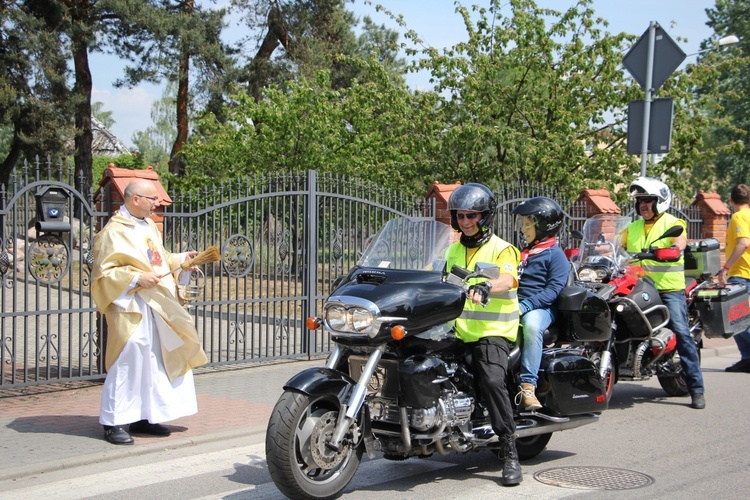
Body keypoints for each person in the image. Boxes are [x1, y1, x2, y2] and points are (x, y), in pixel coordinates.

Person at [91, 179, 208, 445]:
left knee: (155, 359)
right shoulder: (113, 232)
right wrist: (135, 279)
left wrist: (181, 261)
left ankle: (144, 416)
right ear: (134, 199)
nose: (157, 203)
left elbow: (160, 258)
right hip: (132, 306)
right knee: (129, 358)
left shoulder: (147, 226)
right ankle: (114, 422)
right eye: (152, 199)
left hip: (157, 304)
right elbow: (102, 274)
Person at [444, 183, 523, 486]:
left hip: (493, 331)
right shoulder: (452, 250)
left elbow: (508, 279)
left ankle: (509, 449)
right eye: (461, 215)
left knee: (491, 380)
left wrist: (487, 285)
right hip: (458, 330)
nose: (465, 221)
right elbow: (436, 277)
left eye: (472, 215)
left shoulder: (502, 248)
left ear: (485, 216)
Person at [623, 176, 705, 409]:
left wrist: (673, 249)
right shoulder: (632, 227)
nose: (643, 205)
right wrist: (592, 249)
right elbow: (612, 244)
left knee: (681, 331)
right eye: (640, 201)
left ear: (660, 201)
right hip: (639, 286)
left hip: (668, 288)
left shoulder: (673, 222)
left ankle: (697, 389)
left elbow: (679, 243)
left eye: (648, 200)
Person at [511, 197, 570, 411]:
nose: (524, 229)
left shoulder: (556, 256)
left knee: (531, 325)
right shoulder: (524, 253)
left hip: (541, 309)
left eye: (528, 224)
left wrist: (526, 306)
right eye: (523, 224)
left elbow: (553, 290)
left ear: (544, 226)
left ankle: (528, 387)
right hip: (516, 304)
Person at [718, 184, 750, 373]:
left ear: (731, 201)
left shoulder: (739, 217)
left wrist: (725, 267)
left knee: (736, 319)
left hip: (741, 273)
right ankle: (747, 359)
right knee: (740, 318)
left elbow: (743, 243)